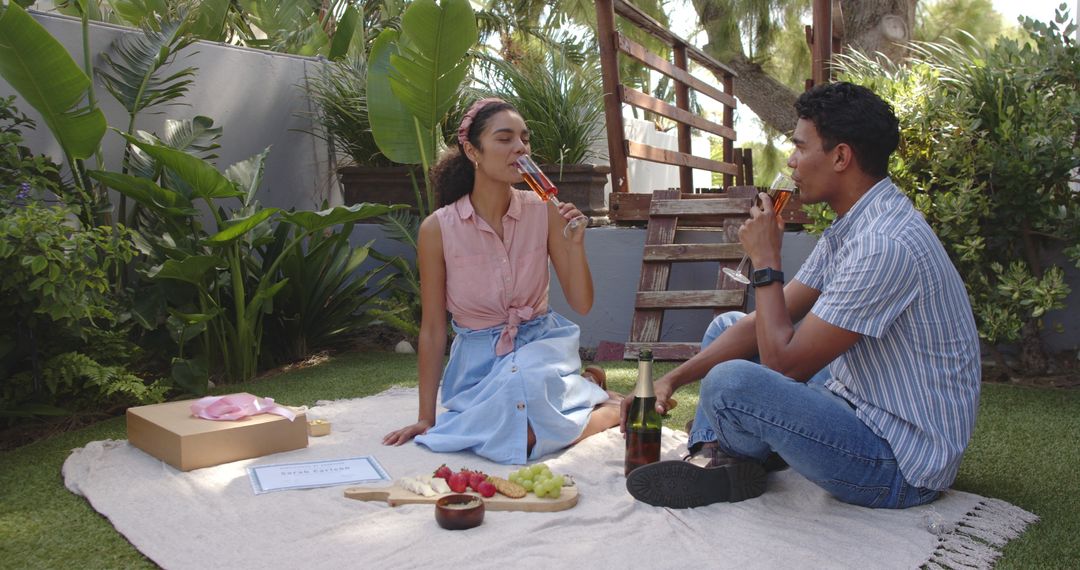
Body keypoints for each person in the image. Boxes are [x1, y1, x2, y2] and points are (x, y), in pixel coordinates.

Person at [623, 82, 981, 509]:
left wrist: (766, 261)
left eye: (799, 147)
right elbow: (768, 323)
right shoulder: (856, 225)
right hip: (859, 399)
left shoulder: (883, 245)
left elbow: (785, 364)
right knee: (728, 328)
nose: (791, 162)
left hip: (898, 462)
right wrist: (671, 379)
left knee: (730, 381)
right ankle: (716, 454)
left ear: (841, 157)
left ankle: (731, 455)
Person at [382, 98, 620, 464]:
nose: (520, 147)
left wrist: (576, 247)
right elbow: (432, 328)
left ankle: (614, 408)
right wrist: (426, 417)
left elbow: (582, 304)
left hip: (540, 348)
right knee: (493, 433)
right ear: (472, 151)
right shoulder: (437, 230)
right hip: (479, 361)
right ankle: (585, 389)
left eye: (524, 139)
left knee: (522, 437)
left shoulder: (544, 211)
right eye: (505, 139)